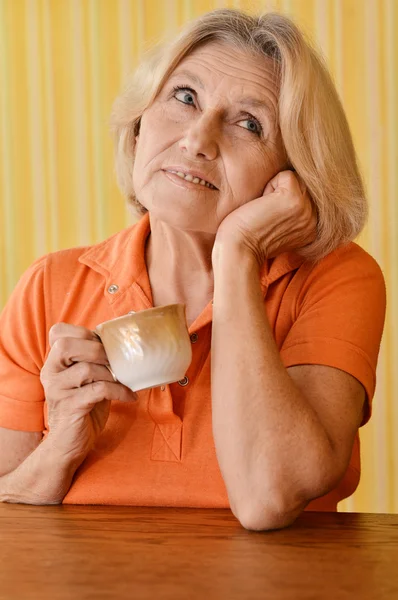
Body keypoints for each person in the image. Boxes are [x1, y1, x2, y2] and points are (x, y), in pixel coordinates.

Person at [0, 8, 386, 531]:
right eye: (184, 97)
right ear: (139, 125)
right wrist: (60, 450)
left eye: (249, 124)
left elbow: (270, 495)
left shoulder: (336, 279)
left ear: (289, 175)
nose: (198, 140)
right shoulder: (49, 287)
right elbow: (9, 500)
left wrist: (236, 253)